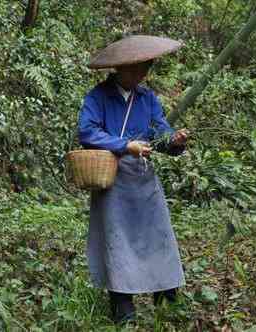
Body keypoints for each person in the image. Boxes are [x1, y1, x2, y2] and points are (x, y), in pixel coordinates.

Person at [78, 35, 189, 324]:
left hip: (143, 178)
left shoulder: (147, 98)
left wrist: (175, 140)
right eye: (138, 69)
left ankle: (166, 301)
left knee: (159, 238)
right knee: (118, 242)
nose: (143, 74)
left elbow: (161, 135)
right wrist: (125, 145)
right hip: (112, 179)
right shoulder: (98, 97)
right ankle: (123, 310)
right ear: (121, 68)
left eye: (146, 69)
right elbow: (87, 132)